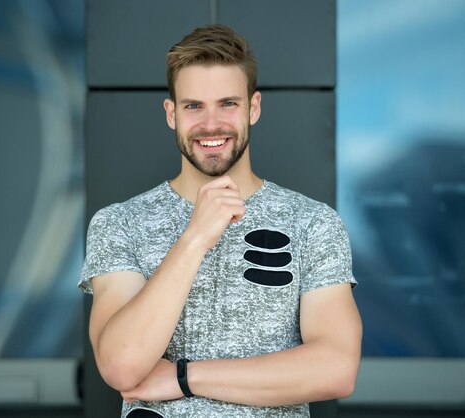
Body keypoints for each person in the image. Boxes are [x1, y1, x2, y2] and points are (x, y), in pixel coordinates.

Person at [79, 24, 362, 418]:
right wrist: (194, 238)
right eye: (194, 106)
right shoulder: (119, 223)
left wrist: (184, 377)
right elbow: (121, 364)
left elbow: (336, 369)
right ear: (171, 114)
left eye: (227, 103)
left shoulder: (312, 223)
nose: (211, 124)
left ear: (253, 108)